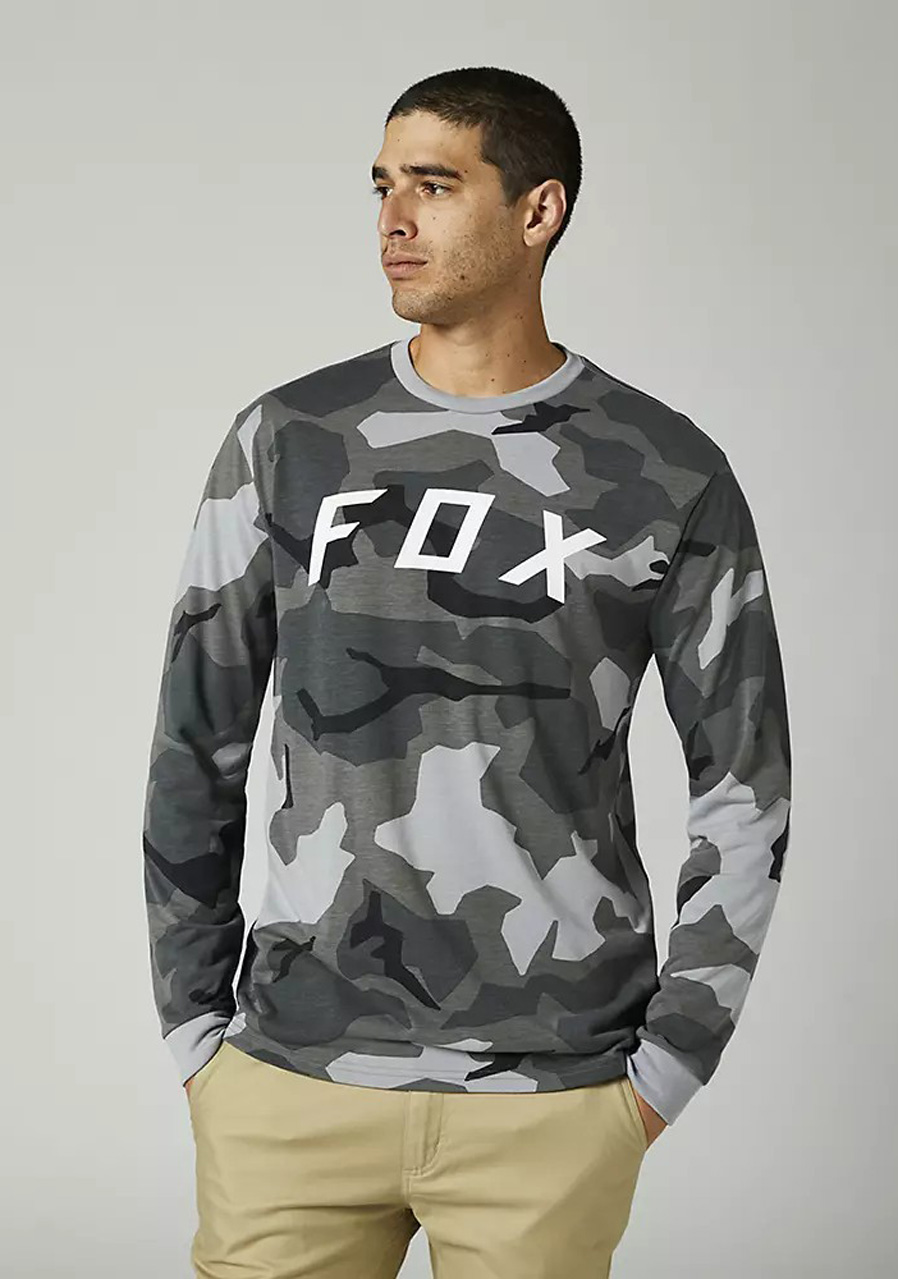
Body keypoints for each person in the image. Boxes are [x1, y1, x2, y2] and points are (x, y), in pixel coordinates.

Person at [142, 65, 792, 1278]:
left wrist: (666, 1070)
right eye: (382, 186)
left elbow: (745, 784)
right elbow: (196, 740)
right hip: (292, 1082)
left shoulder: (665, 470)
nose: (393, 219)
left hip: (555, 1096)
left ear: (537, 210)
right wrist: (194, 1032)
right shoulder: (287, 440)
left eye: (434, 186)